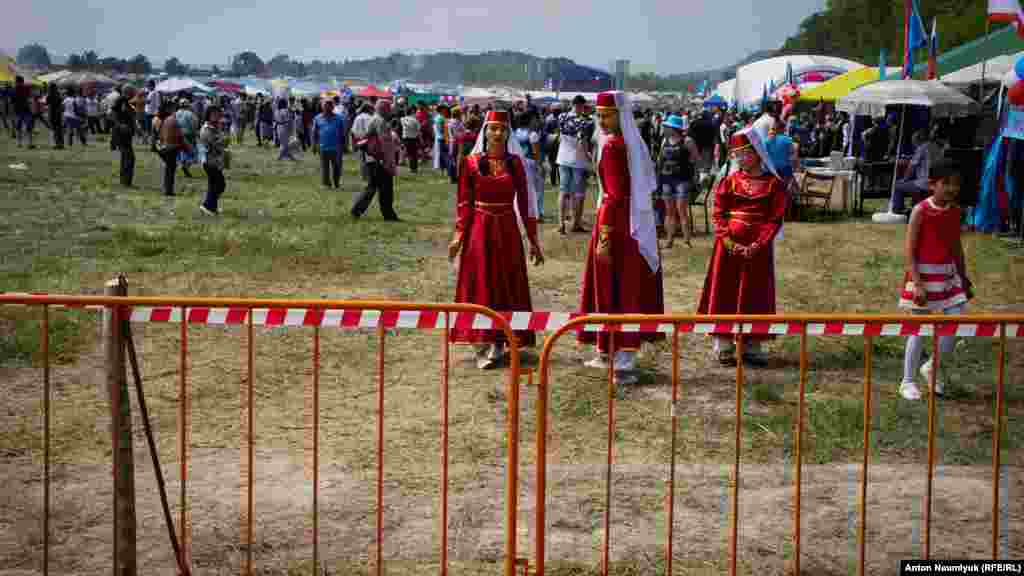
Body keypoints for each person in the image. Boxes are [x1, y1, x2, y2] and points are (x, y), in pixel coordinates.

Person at [577, 91, 664, 385]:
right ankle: (610, 351)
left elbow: (613, 195)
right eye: (598, 114)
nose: (601, 120)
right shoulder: (622, 143)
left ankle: (620, 356)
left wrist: (603, 234)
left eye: (607, 114)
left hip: (615, 223)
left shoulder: (615, 146)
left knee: (616, 286)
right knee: (620, 285)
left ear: (619, 115)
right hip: (626, 221)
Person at [448, 109, 544, 369]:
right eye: (493, 128)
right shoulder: (470, 162)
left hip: (507, 229)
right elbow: (464, 203)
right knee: (480, 282)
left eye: (503, 129)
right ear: (485, 131)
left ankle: (500, 340)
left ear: (508, 133)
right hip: (480, 227)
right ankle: (480, 341)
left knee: (505, 283)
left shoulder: (516, 164)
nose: (498, 133)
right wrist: (459, 235)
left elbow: (525, 203)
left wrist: (533, 239)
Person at [697, 129, 788, 367]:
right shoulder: (729, 182)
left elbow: (774, 219)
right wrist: (728, 241)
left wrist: (758, 244)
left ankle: (752, 344)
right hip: (727, 249)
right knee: (725, 290)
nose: (741, 159)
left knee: (754, 293)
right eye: (737, 154)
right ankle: (723, 344)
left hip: (758, 250)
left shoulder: (774, 185)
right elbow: (718, 214)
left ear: (758, 153)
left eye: (745, 153)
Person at [897, 158, 973, 400]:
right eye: (946, 183)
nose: (952, 189)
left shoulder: (956, 212)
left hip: (948, 277)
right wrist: (918, 283)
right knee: (918, 329)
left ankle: (932, 367)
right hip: (923, 276)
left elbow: (956, 247)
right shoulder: (920, 211)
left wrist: (964, 277)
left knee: (956, 321)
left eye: (956, 184)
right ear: (932, 184)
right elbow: (910, 250)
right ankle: (907, 381)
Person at [351, 100, 400, 221]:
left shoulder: (377, 120)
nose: (391, 111)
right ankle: (388, 214)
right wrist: (387, 161)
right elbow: (384, 143)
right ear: (383, 109)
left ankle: (357, 210)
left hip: (374, 159)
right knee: (385, 189)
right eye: (389, 108)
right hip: (379, 160)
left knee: (373, 187)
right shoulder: (380, 121)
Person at [657, 114, 700, 248]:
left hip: (682, 179)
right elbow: (660, 159)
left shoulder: (687, 141)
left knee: (681, 210)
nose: (665, 128)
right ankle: (669, 240)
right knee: (669, 211)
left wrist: (695, 175)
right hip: (666, 179)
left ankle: (686, 240)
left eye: (667, 126)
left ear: (674, 128)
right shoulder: (665, 140)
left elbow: (695, 159)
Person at [556, 95, 596, 235]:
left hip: (562, 158)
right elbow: (583, 142)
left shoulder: (561, 117)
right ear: (582, 106)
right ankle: (576, 223)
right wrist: (590, 160)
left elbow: (560, 135)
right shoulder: (586, 121)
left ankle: (561, 223)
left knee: (563, 191)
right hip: (578, 160)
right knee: (578, 193)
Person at [889, 129, 932, 215]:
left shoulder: (921, 148)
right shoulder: (934, 147)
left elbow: (911, 167)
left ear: (918, 140)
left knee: (897, 185)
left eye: (914, 142)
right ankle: (913, 206)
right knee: (913, 182)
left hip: (924, 184)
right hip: (935, 183)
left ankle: (898, 210)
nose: (914, 145)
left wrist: (904, 179)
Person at [514, 110, 545, 221]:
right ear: (530, 120)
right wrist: (539, 165)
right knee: (537, 189)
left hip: (519, 162)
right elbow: (535, 152)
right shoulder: (533, 134)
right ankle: (537, 213)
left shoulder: (516, 132)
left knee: (522, 188)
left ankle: (522, 211)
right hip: (531, 162)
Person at [199, 105, 228, 216]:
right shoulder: (207, 129)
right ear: (208, 115)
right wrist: (223, 141)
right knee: (220, 184)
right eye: (213, 114)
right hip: (209, 160)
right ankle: (207, 205)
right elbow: (214, 144)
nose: (216, 116)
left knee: (214, 184)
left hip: (215, 160)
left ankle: (212, 207)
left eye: (218, 113)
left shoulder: (215, 127)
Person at [159, 100, 191, 196]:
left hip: (165, 147)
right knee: (170, 170)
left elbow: (161, 135)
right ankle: (168, 190)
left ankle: (167, 189)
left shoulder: (166, 120)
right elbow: (180, 136)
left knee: (169, 170)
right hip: (171, 147)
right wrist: (187, 148)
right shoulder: (173, 120)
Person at [313, 98, 346, 189]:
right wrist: (314, 146)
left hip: (336, 147)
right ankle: (326, 184)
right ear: (322, 107)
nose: (327, 107)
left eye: (330, 105)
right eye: (325, 105)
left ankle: (336, 182)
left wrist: (344, 146)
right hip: (323, 146)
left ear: (332, 107)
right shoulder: (317, 118)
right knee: (325, 167)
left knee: (337, 167)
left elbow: (342, 133)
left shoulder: (339, 118)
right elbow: (314, 133)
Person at [111, 86, 137, 187]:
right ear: (128, 92)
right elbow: (111, 113)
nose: (134, 94)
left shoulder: (129, 102)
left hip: (127, 134)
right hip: (121, 133)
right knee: (129, 157)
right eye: (132, 92)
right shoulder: (120, 100)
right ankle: (126, 181)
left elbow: (131, 116)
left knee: (126, 157)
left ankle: (125, 180)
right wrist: (119, 124)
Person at [175, 98, 198, 178]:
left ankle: (181, 163)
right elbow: (194, 125)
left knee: (181, 151)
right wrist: (195, 134)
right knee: (192, 152)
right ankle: (186, 165)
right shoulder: (190, 114)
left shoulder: (176, 113)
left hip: (178, 135)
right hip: (188, 135)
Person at [12, 76, 35, 149]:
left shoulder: (15, 89)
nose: (16, 83)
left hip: (20, 110)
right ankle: (28, 143)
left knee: (20, 127)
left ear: (18, 82)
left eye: (16, 81)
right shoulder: (25, 88)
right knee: (27, 127)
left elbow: (12, 101)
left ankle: (21, 143)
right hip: (25, 110)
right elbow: (30, 98)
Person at [400, 106, 421, 173]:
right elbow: (419, 129)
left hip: (405, 138)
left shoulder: (402, 119)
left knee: (409, 154)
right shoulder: (415, 120)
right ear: (412, 112)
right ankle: (414, 168)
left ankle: (410, 167)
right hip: (413, 139)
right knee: (414, 154)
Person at [46, 83, 63, 150]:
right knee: (58, 130)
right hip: (57, 114)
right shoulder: (58, 95)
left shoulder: (49, 95)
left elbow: (47, 104)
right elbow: (60, 105)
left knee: (53, 129)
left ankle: (55, 144)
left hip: (52, 114)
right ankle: (60, 144)